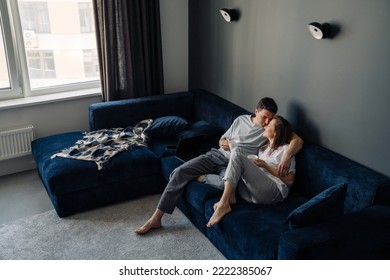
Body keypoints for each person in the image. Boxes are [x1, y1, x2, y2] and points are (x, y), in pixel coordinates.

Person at [134, 98, 303, 235]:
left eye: (270, 118)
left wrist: (287, 156)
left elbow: (296, 140)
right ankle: (156, 218)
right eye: (264, 117)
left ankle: (215, 190)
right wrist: (222, 142)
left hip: (235, 166)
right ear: (256, 111)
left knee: (226, 184)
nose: (267, 122)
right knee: (179, 172)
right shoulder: (240, 120)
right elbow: (223, 138)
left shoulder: (271, 130)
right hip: (217, 155)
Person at [206, 115, 296, 227]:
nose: (265, 126)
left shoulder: (285, 150)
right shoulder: (263, 149)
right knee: (230, 170)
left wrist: (265, 165)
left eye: (269, 125)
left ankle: (223, 204)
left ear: (276, 132)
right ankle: (229, 194)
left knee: (237, 152)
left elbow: (290, 181)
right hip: (252, 195)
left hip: (273, 192)